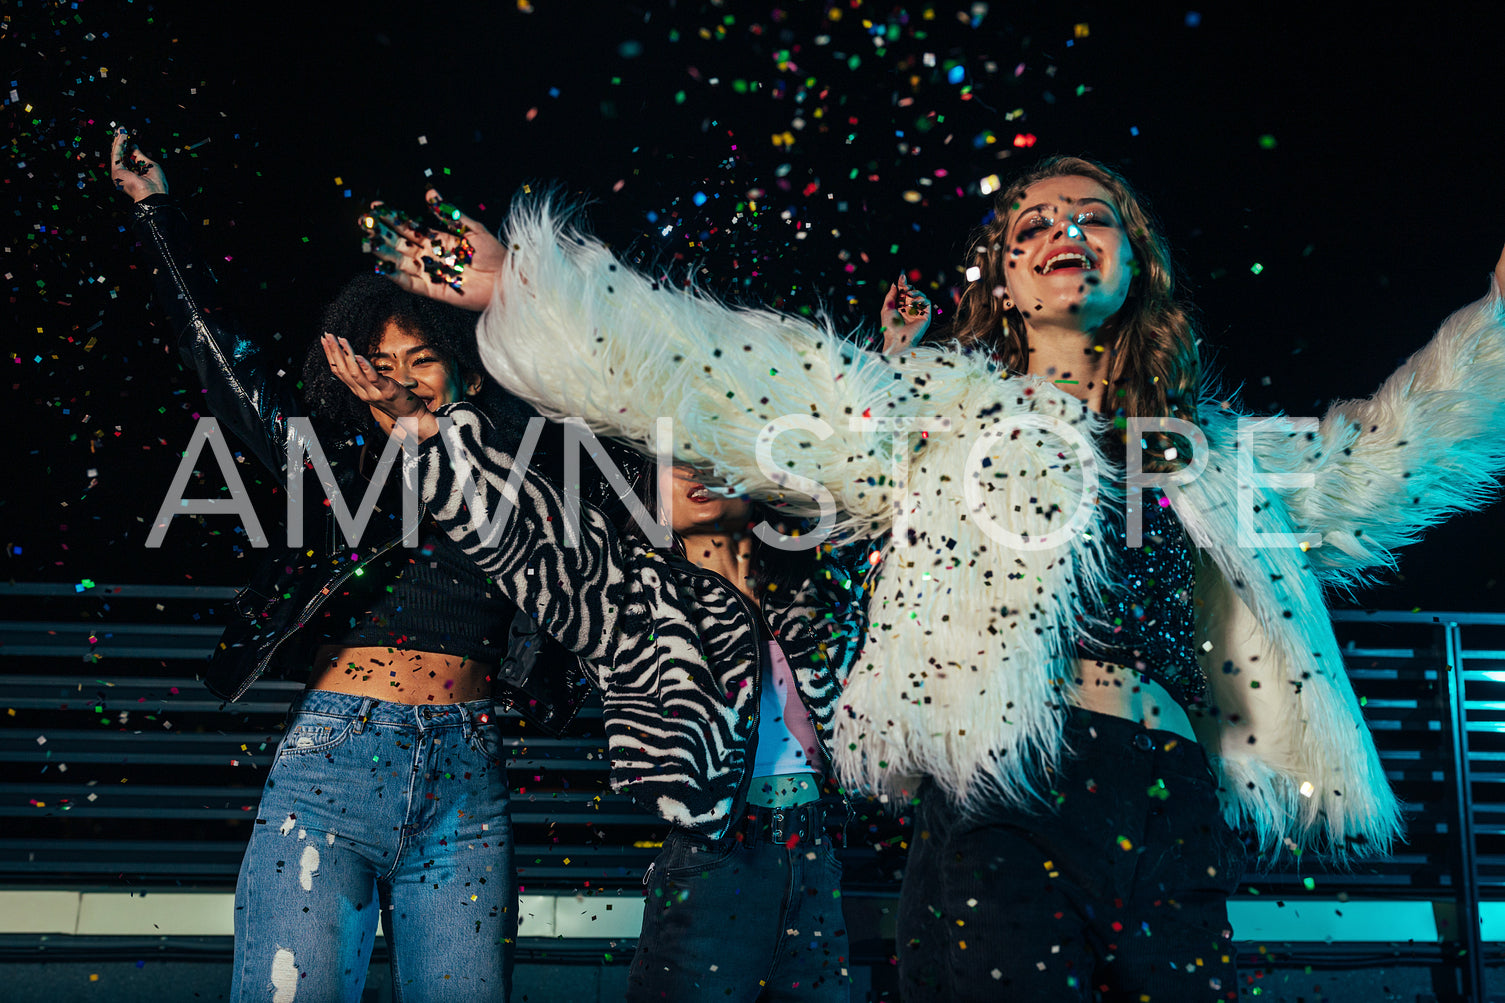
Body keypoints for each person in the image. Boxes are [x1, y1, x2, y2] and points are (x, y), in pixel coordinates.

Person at [367, 157, 1505, 1001]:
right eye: (1032, 225)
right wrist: (527, 284)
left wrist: (1496, 330)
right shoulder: (934, 418)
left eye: (1091, 217)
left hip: (1163, 807)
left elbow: (1382, 462)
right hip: (1003, 803)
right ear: (1005, 281)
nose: (1064, 231)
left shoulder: (1208, 453)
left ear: (1134, 262)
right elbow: (729, 368)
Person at [328, 194, 873, 1001]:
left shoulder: (813, 592)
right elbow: (516, 529)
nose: (691, 464)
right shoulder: (622, 588)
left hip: (819, 855)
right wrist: (431, 422)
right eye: (670, 450)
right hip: (712, 860)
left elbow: (865, 480)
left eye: (710, 444)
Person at [109, 130, 580, 1003]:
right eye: (380, 364)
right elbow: (214, 351)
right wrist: (156, 210)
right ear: (348, 369)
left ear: (463, 368)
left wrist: (515, 283)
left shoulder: (517, 454)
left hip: (466, 783)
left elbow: (588, 384)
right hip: (331, 764)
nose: (399, 381)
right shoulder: (326, 467)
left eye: (422, 361)